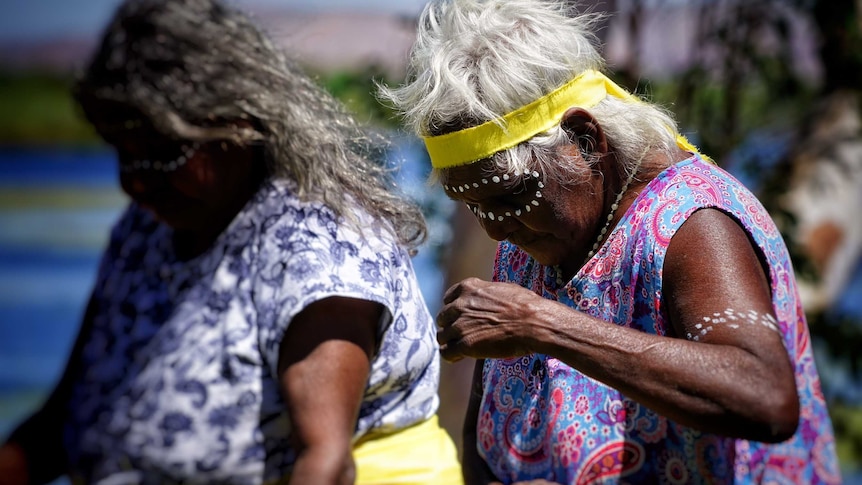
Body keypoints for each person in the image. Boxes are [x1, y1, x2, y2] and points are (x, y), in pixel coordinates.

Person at [0, 0, 463, 483]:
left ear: (238, 125)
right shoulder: (148, 230)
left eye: (160, 157)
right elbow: (63, 419)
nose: (134, 184)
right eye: (124, 154)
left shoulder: (320, 245)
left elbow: (325, 464)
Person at [379, 0, 841, 483]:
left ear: (584, 140)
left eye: (511, 195)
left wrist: (543, 324)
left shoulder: (692, 222)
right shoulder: (534, 227)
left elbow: (765, 394)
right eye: (474, 205)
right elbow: (487, 427)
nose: (495, 228)